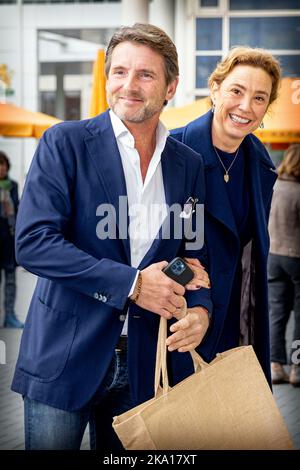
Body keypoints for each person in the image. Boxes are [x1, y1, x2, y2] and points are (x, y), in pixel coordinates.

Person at [11, 23, 212, 451]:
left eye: (145, 75)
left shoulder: (188, 164)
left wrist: (201, 313)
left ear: (170, 86)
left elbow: (194, 256)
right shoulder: (64, 143)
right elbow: (33, 242)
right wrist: (134, 285)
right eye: (119, 72)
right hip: (63, 354)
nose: (129, 85)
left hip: (144, 361)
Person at [172, 46, 281, 386]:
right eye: (237, 91)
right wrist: (182, 273)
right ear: (215, 89)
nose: (246, 106)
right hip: (183, 321)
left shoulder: (260, 165)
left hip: (238, 325)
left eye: (259, 98)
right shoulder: (171, 153)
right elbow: (141, 248)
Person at [268, 144, 300, 387]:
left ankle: (275, 366)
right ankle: (297, 368)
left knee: (277, 314)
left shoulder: (274, 186)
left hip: (273, 257)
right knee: (299, 317)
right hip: (296, 258)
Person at [0, 151, 23, 328]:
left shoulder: (13, 186)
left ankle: (10, 315)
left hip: (9, 240)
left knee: (10, 281)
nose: (1, 168)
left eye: (3, 164)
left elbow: (19, 209)